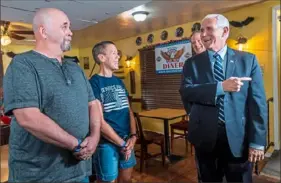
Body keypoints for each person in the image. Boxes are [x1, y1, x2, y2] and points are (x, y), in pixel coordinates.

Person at [3, 8, 101, 182]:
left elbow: (92, 103)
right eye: (65, 27)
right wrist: (76, 145)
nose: (71, 32)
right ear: (43, 31)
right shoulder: (23, 64)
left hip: (79, 171)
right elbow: (27, 116)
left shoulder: (75, 68)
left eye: (69, 27)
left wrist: (94, 137)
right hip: (39, 176)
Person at [179, 14, 267, 183]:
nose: (203, 35)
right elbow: (186, 92)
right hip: (204, 138)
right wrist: (220, 87)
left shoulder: (248, 61)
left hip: (237, 138)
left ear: (225, 31)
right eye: (202, 30)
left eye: (209, 29)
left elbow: (258, 104)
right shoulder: (191, 64)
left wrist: (257, 141)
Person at [89, 41, 137, 183]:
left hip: (127, 141)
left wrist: (133, 137)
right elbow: (99, 121)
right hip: (107, 144)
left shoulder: (119, 82)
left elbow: (129, 112)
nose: (118, 57)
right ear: (102, 58)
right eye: (114, 53)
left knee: (126, 180)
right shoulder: (94, 83)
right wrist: (121, 144)